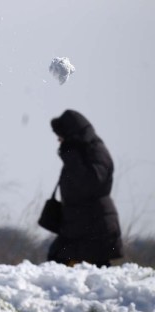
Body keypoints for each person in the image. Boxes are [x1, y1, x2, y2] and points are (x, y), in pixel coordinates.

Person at [46, 109, 123, 267]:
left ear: (71, 135)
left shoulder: (94, 151)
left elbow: (93, 181)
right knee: (58, 260)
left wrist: (71, 156)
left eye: (61, 135)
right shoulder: (82, 152)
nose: (58, 140)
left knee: (92, 270)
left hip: (96, 224)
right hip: (81, 224)